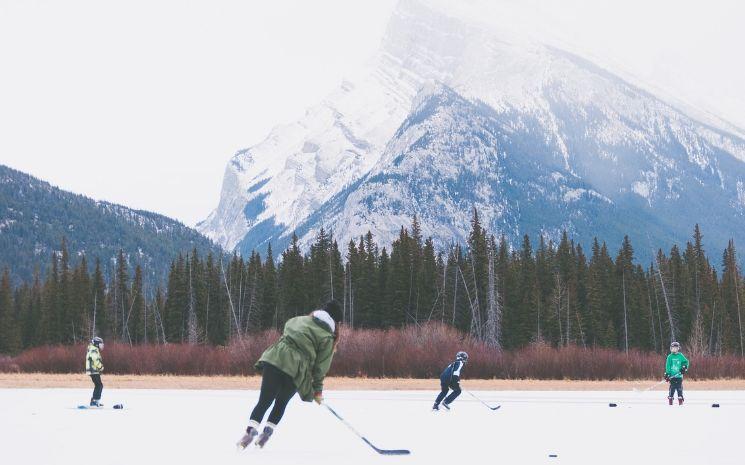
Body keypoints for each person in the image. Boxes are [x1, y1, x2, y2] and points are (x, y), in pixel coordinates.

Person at [237, 300, 343, 450]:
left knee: (264, 401)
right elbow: (320, 368)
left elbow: (287, 328)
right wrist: (317, 391)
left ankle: (249, 432)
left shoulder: (299, 319)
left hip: (276, 359)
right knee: (281, 403)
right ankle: (265, 435)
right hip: (296, 370)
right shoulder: (328, 338)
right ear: (336, 323)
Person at [664, 341, 689, 405]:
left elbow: (686, 362)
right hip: (672, 376)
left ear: (678, 348)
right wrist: (667, 374)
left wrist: (684, 367)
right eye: (672, 348)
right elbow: (668, 366)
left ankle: (680, 398)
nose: (674, 349)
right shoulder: (670, 356)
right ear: (671, 348)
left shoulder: (680, 355)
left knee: (679, 387)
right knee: (672, 387)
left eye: (675, 348)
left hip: (679, 376)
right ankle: (670, 398)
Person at [85, 336, 105, 407]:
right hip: (93, 370)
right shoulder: (94, 350)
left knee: (98, 385)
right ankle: (95, 401)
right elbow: (95, 360)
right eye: (100, 344)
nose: (101, 346)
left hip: (93, 370)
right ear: (96, 344)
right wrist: (100, 367)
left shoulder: (93, 349)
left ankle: (94, 400)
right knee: (99, 385)